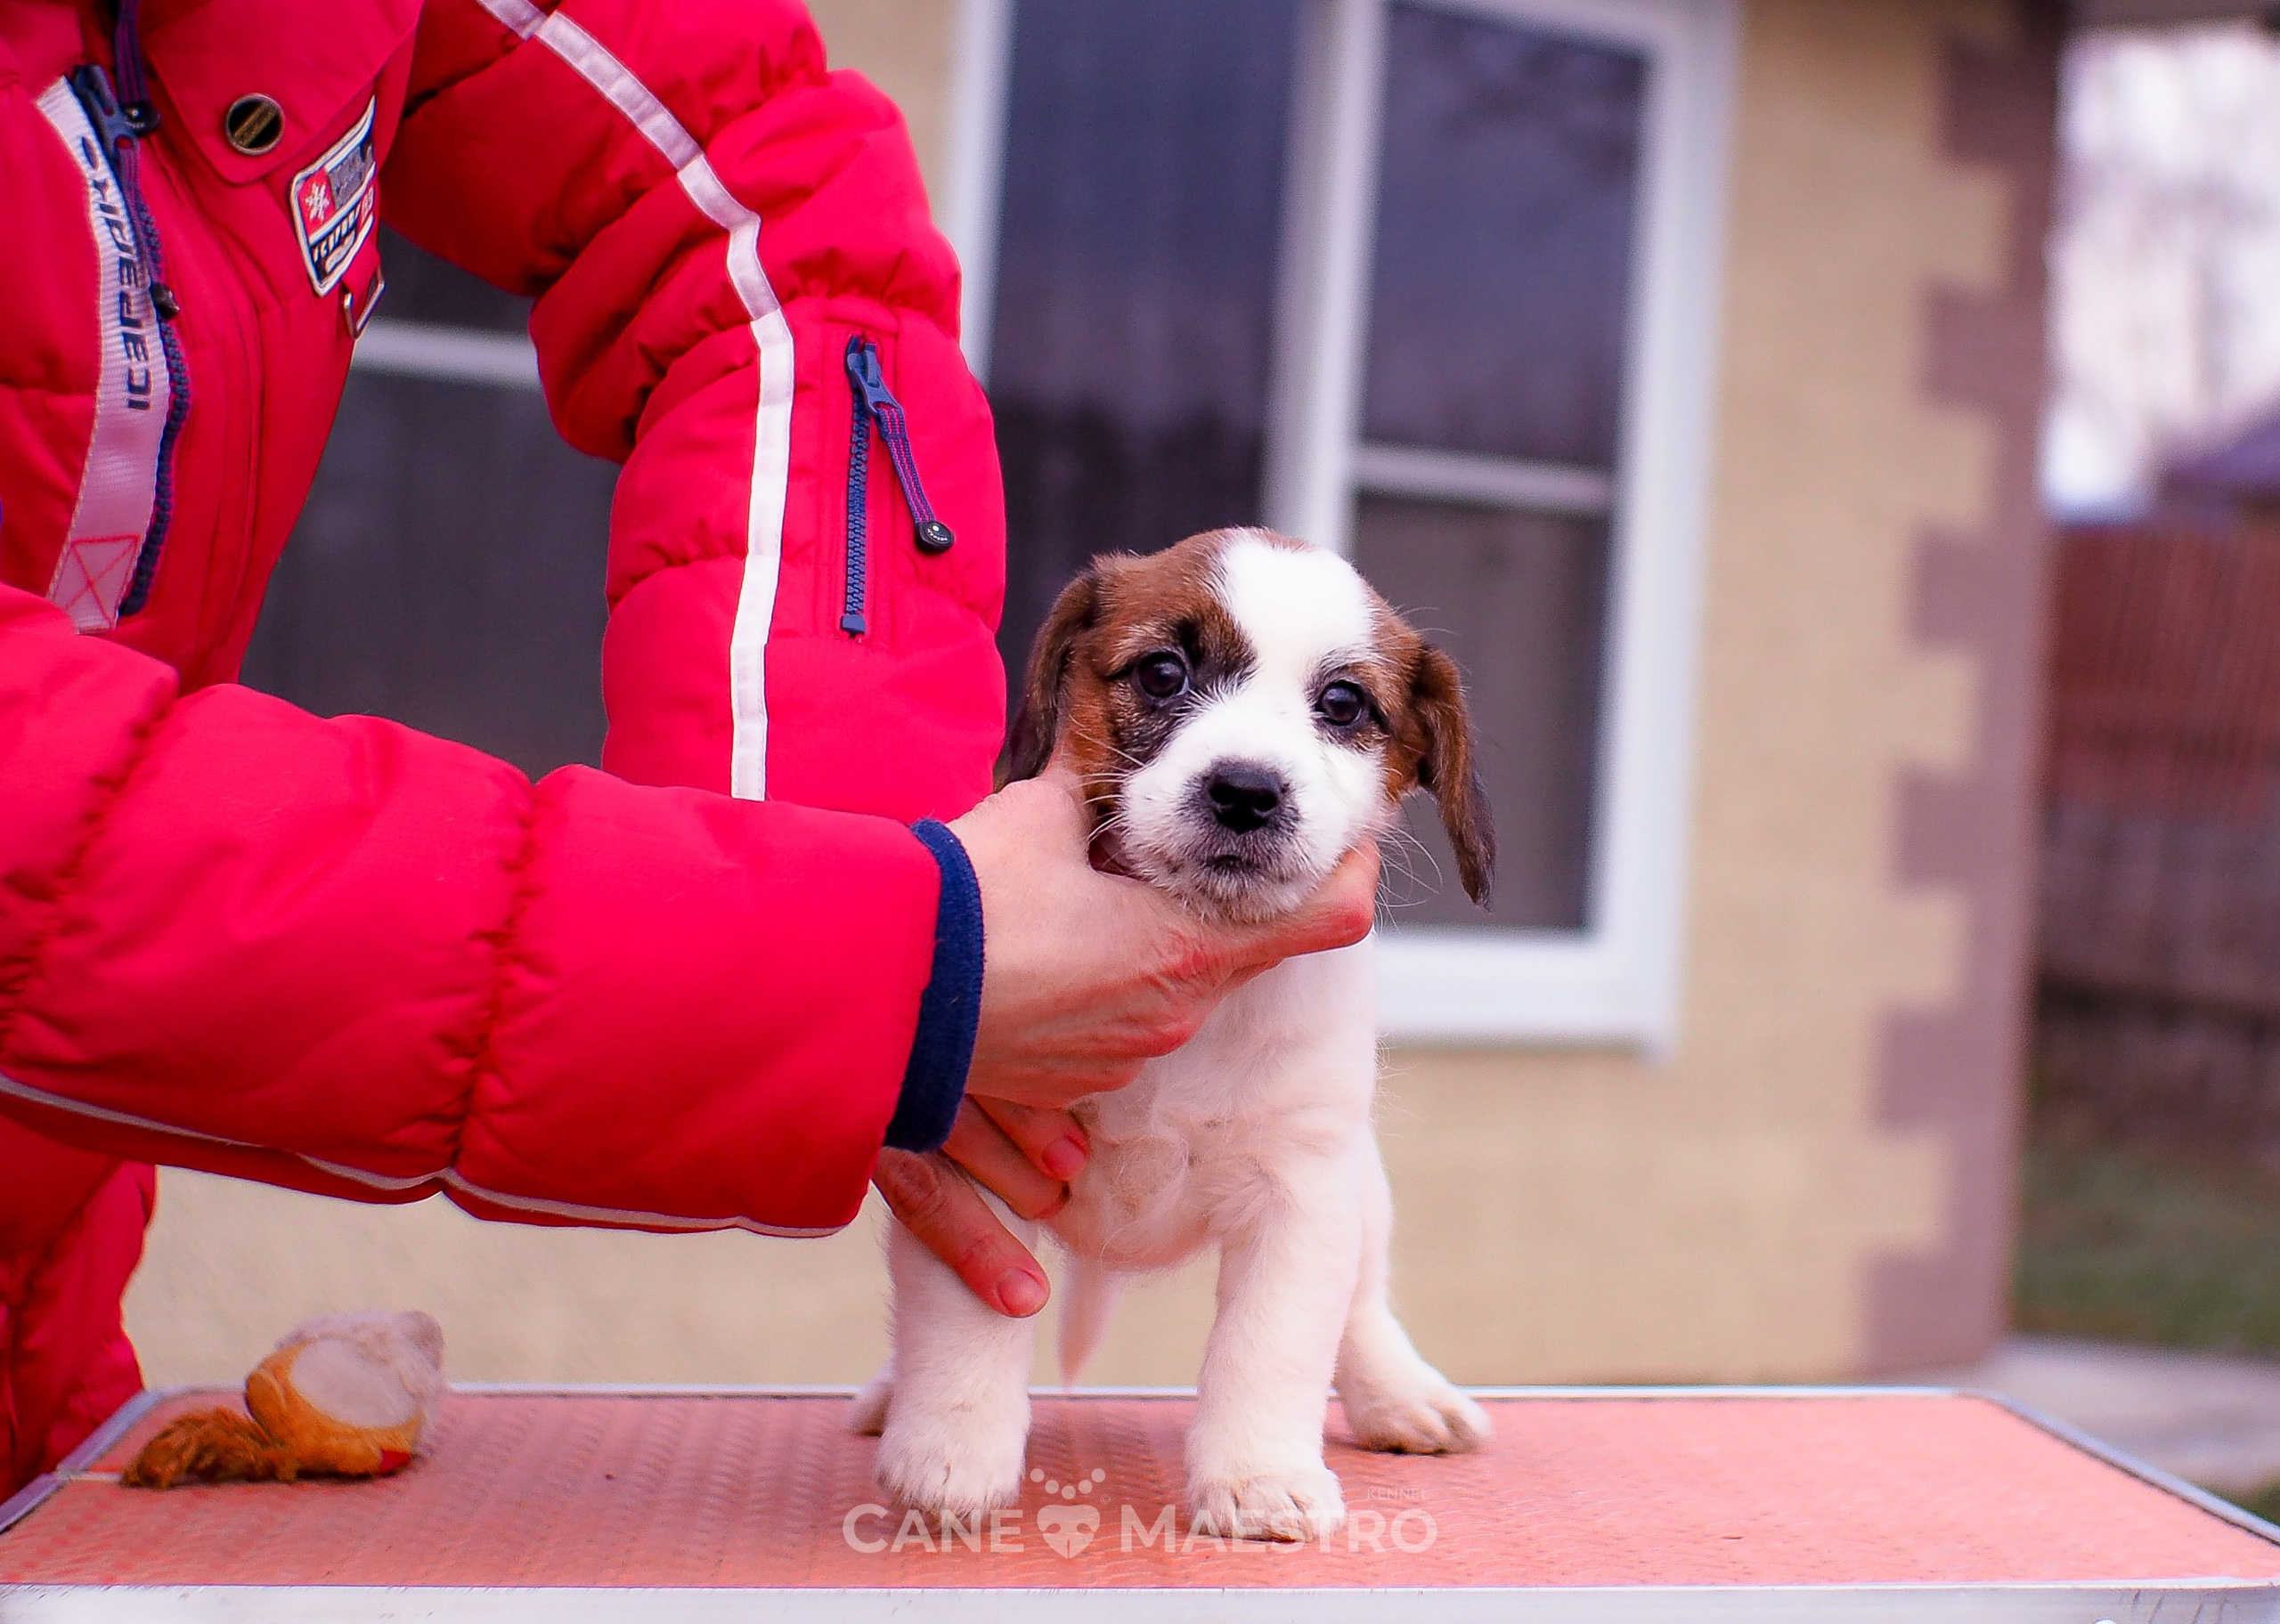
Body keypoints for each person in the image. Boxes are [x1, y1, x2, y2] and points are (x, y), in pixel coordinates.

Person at [0, 0, 1377, 1496]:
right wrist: (853, 959)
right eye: (1165, 678)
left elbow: (775, 229)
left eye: (1343, 711)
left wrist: (859, 910)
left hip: (48, 1308)